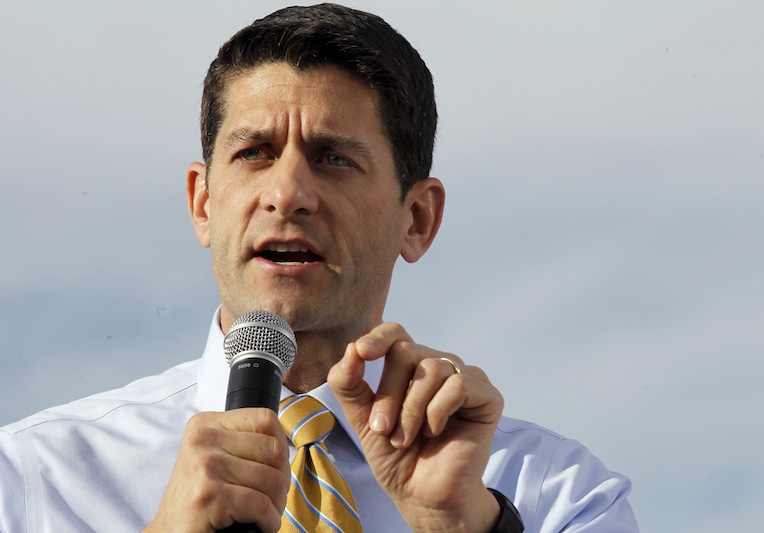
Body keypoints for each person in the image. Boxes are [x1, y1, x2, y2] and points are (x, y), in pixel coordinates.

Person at [0, 4, 638, 532]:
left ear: (416, 219)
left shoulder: (552, 492)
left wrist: (466, 530)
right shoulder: (32, 478)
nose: (287, 193)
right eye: (254, 152)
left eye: (332, 158)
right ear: (202, 203)